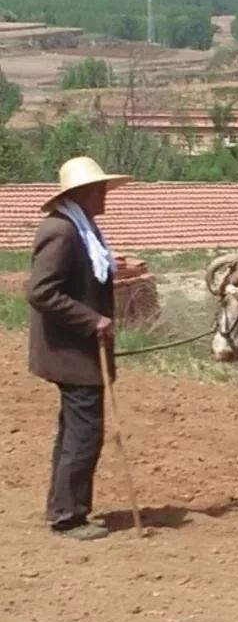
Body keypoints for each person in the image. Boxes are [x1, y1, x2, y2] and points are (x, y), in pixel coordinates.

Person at [26, 156, 132, 541]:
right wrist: (92, 320)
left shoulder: (80, 227)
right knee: (84, 434)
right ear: (82, 193)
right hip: (73, 355)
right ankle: (69, 516)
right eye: (100, 188)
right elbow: (40, 291)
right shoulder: (62, 231)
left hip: (77, 353)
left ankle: (62, 508)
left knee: (74, 432)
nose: (105, 194)